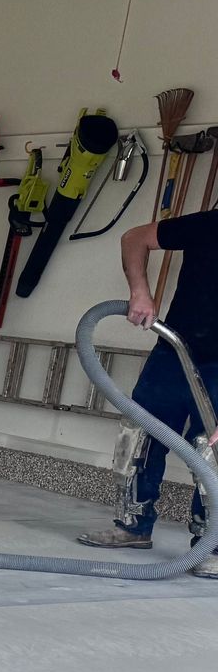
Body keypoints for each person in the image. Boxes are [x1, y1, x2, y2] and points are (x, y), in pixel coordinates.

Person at [77, 207, 218, 573]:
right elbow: (135, 238)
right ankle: (133, 525)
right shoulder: (209, 224)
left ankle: (211, 545)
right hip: (176, 350)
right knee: (140, 433)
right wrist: (140, 292)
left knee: (214, 451)